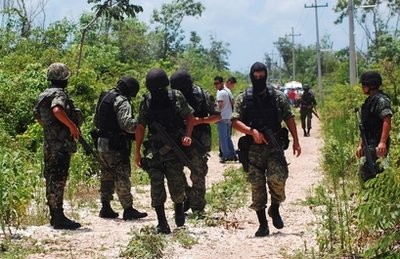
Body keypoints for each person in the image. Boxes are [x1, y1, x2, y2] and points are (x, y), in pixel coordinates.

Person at [231, 62, 301, 237]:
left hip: (273, 146)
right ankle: (263, 224)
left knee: (278, 178)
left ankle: (275, 207)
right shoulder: (243, 98)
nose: (259, 78)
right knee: (257, 186)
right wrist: (251, 131)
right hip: (253, 149)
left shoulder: (277, 97)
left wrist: (296, 141)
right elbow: (234, 121)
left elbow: (289, 117)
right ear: (251, 76)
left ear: (266, 75)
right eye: (256, 76)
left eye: (261, 76)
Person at [134, 68, 195, 234]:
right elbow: (140, 127)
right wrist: (137, 151)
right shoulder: (146, 101)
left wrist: (188, 136)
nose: (158, 92)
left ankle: (179, 210)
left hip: (174, 149)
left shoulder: (176, 96)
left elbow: (190, 117)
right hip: (154, 151)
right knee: (156, 186)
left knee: (176, 183)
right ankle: (162, 222)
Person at [34, 63, 82, 230]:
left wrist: (51, 131)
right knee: (59, 179)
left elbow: (38, 116)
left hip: (49, 144)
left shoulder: (43, 95)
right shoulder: (59, 94)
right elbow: (57, 110)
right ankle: (59, 217)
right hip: (60, 145)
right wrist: (71, 126)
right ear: (63, 78)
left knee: (51, 179)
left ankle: (55, 215)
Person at [93, 76, 148, 220]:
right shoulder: (121, 101)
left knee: (106, 176)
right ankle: (128, 209)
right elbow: (127, 125)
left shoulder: (105, 97)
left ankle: (105, 207)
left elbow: (96, 121)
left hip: (101, 143)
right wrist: (140, 124)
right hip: (116, 145)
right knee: (121, 175)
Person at [170, 70, 221, 215]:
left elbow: (217, 117)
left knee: (198, 173)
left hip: (198, 141)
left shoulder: (203, 95)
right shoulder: (172, 96)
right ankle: (187, 196)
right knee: (174, 171)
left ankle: (198, 208)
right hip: (177, 140)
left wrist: (200, 121)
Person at [355, 71, 393, 182]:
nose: (362, 87)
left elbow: (387, 120)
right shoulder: (369, 102)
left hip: (377, 143)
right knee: (367, 172)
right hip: (369, 143)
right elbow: (365, 127)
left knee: (378, 172)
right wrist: (361, 145)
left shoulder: (381, 100)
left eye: (364, 85)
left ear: (371, 85)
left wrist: (382, 142)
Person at [214, 76, 237, 163]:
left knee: (223, 138)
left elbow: (219, 106)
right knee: (227, 137)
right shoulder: (227, 91)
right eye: (214, 84)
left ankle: (226, 156)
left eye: (217, 83)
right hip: (228, 117)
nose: (215, 85)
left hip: (222, 117)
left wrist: (215, 117)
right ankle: (233, 154)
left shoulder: (220, 93)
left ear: (221, 83)